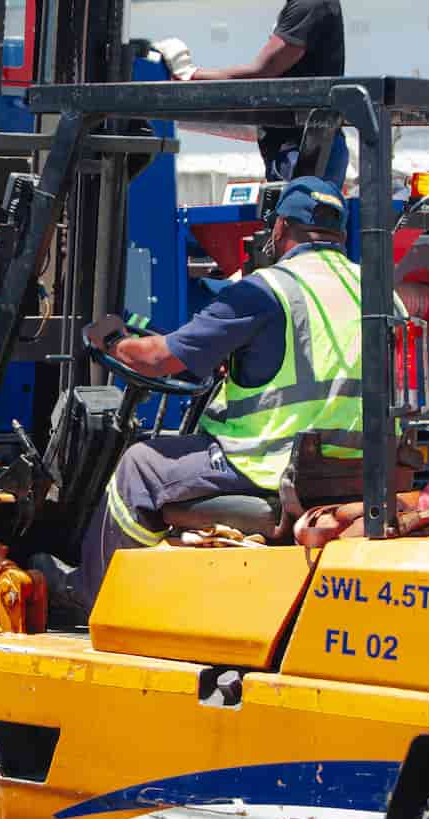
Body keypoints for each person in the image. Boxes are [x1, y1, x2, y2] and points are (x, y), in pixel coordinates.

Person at [73, 176, 361, 614]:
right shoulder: (378, 292)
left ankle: (97, 600)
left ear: (280, 227)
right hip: (357, 468)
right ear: (340, 231)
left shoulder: (266, 291)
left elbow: (158, 358)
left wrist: (113, 342)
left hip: (271, 463)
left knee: (140, 466)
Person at [155, 0, 349, 185]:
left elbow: (261, 71)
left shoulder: (312, 3)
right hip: (302, 145)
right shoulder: (306, 2)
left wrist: (190, 75)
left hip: (306, 148)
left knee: (302, 214)